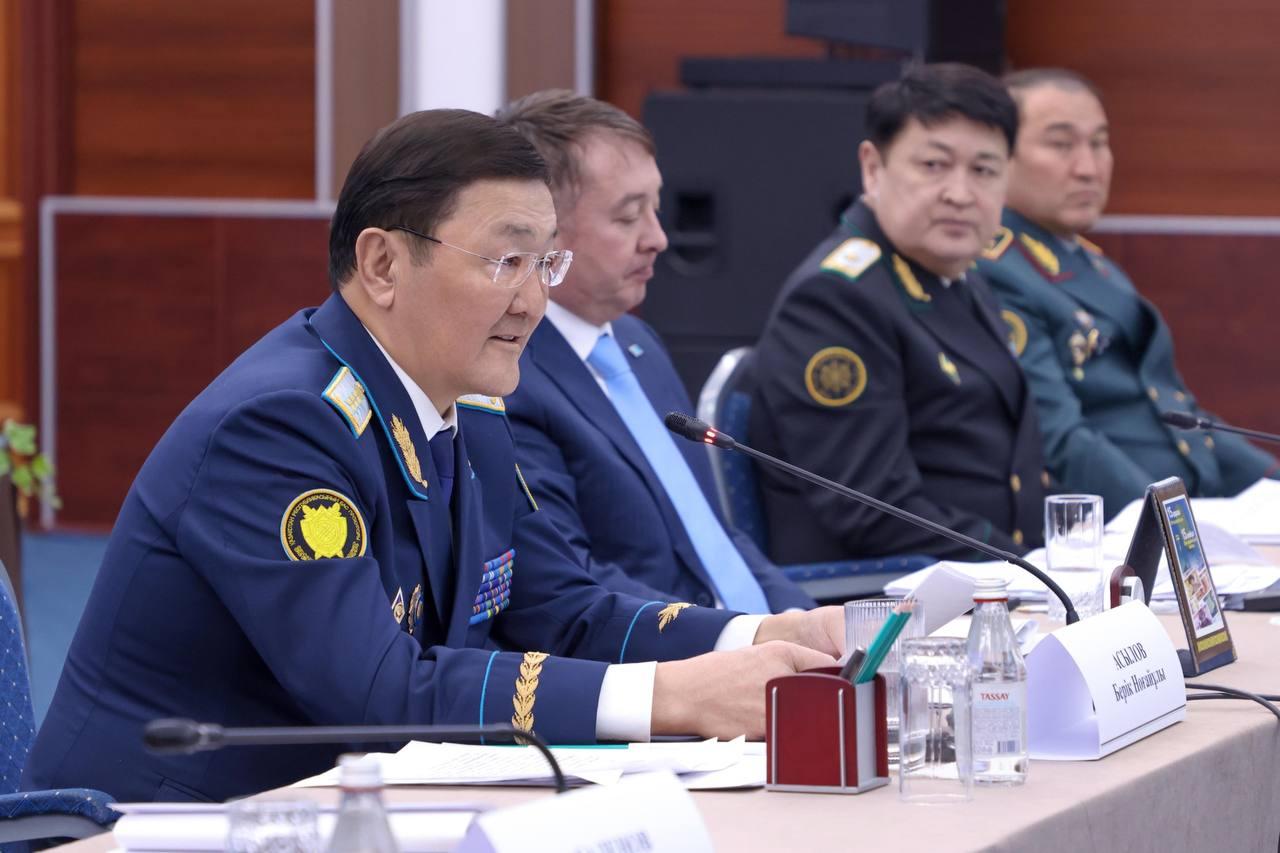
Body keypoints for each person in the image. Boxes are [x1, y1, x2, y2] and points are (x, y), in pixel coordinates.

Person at [24, 109, 844, 804]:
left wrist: (762, 633)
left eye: (544, 263)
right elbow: (378, 690)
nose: (533, 300)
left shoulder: (471, 407)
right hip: (161, 822)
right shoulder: (277, 426)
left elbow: (561, 611)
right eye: (505, 261)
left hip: (354, 807)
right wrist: (670, 697)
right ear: (382, 264)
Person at [496, 90, 814, 614]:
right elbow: (570, 583)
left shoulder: (637, 343)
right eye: (628, 218)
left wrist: (815, 624)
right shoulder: (510, 378)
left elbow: (714, 541)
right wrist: (747, 637)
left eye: (656, 210)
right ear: (543, 231)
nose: (658, 239)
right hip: (669, 653)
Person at [751, 64, 1047, 563]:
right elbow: (874, 510)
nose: (960, 193)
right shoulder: (835, 300)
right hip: (886, 593)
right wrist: (1024, 567)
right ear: (873, 168)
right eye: (933, 165)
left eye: (983, 171)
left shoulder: (958, 277)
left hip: (992, 578)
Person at [978, 68, 1278, 514]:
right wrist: (1174, 525)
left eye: (1099, 143)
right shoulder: (997, 271)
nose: (1087, 167)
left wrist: (1273, 482)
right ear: (998, 156)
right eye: (1060, 144)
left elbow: (1183, 417)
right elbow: (1059, 439)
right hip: (1118, 523)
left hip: (1192, 505)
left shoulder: (1092, 263)